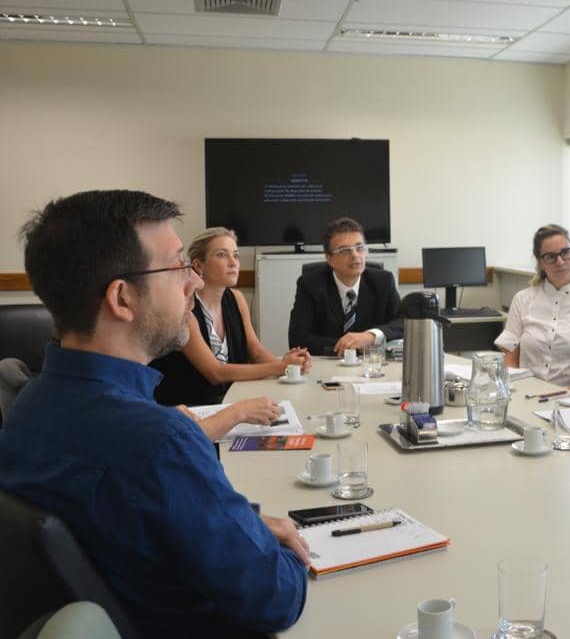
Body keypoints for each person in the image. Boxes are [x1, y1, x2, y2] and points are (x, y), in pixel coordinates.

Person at [0, 190, 308, 637]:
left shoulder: (29, 402)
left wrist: (240, 526)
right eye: (180, 265)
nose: (195, 283)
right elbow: (274, 597)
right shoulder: (159, 442)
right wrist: (268, 547)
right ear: (122, 299)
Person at [150, 227, 311, 439]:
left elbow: (255, 350)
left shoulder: (236, 298)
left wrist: (290, 370)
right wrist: (281, 365)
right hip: (192, 415)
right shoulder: (185, 308)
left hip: (230, 404)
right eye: (221, 255)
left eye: (235, 255)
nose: (234, 262)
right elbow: (216, 372)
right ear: (198, 265)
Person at [494, 224, 570, 394]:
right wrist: (515, 391)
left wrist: (561, 399)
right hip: (527, 394)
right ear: (540, 263)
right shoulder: (523, 299)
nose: (560, 261)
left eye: (565, 252)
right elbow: (510, 357)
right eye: (551, 256)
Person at [288, 217, 402, 355]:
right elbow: (297, 338)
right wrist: (350, 345)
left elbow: (403, 324)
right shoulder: (311, 285)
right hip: (327, 366)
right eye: (345, 251)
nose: (355, 256)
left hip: (371, 367)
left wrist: (370, 336)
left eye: (359, 248)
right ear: (329, 259)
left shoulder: (383, 282)